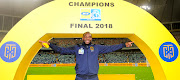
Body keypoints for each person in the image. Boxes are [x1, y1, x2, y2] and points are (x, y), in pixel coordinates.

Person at [39, 32, 134, 80]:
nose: (87, 38)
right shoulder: (77, 48)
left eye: (89, 37)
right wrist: (50, 44)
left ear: (91, 38)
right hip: (80, 77)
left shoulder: (97, 47)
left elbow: (110, 48)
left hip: (93, 77)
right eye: (85, 36)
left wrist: (124, 44)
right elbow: (62, 50)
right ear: (82, 38)